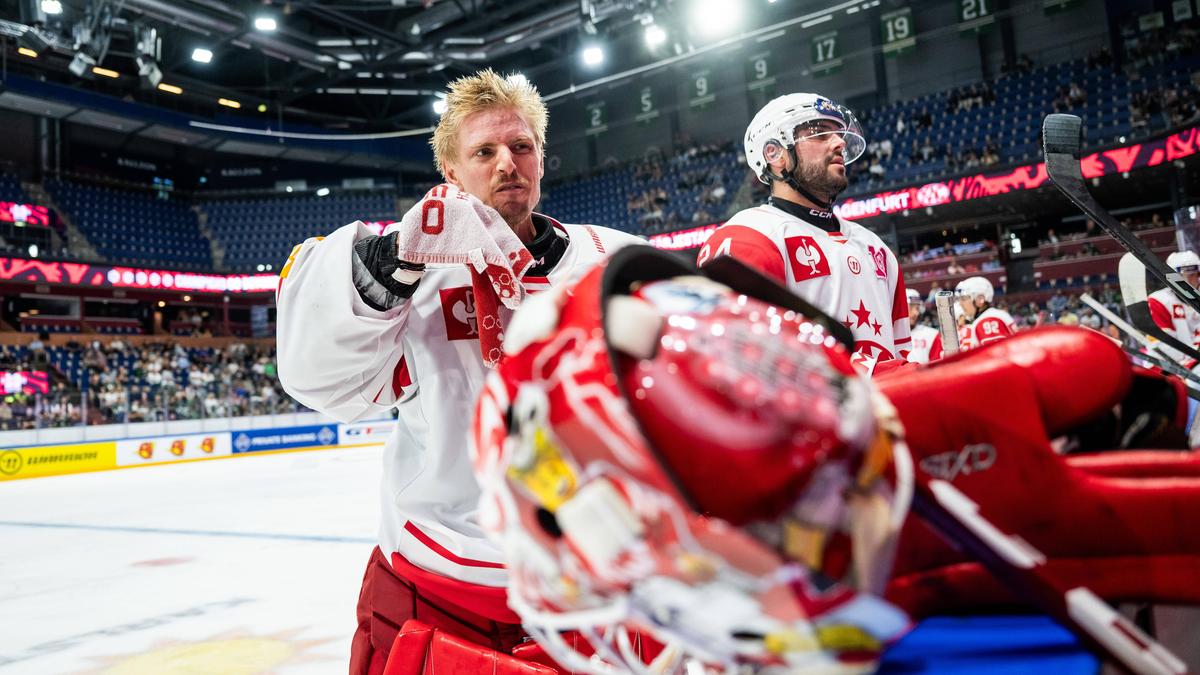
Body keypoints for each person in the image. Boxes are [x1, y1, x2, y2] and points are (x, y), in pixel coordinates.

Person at [275, 68, 643, 675]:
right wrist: (394, 260)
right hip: (440, 584)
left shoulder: (612, 257)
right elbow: (315, 378)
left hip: (590, 579)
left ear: (542, 160)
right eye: (484, 152)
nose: (507, 163)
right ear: (451, 174)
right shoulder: (406, 273)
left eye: (521, 147)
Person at [696, 93, 911, 373]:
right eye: (819, 133)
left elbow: (902, 351)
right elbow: (745, 371)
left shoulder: (877, 249)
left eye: (838, 133)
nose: (840, 142)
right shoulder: (747, 237)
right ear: (775, 154)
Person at [928, 276, 1015, 360]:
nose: (961, 303)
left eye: (964, 299)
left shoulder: (987, 321)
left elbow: (997, 361)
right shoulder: (991, 316)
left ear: (980, 299)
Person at [1147, 250, 1200, 364]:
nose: (1188, 281)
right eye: (1182, 277)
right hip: (1168, 369)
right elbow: (1164, 347)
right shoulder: (1158, 301)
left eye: (1192, 275)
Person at [905, 287, 939, 364]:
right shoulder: (889, 337)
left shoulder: (931, 335)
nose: (915, 313)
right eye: (910, 307)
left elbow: (938, 370)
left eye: (917, 308)